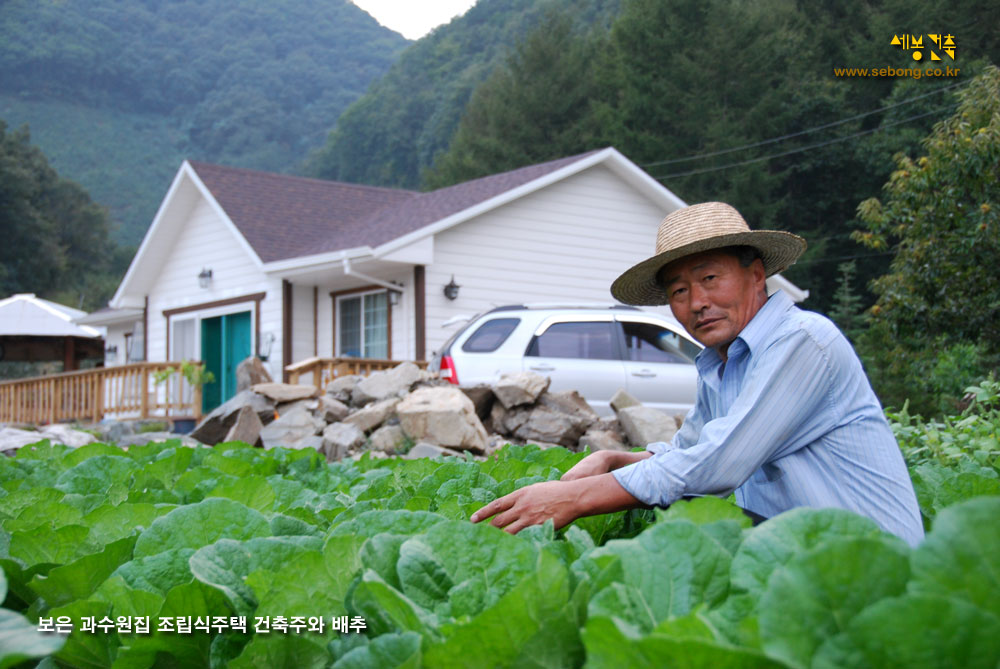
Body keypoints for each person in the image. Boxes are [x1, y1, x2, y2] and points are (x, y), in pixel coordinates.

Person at [471, 202, 924, 547]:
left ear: (757, 276)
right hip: (801, 549)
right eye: (681, 291)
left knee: (690, 529)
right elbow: (688, 453)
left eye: (711, 279)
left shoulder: (803, 340)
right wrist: (612, 461)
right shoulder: (721, 364)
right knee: (684, 522)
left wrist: (576, 498)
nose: (697, 302)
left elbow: (717, 465)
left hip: (874, 560)